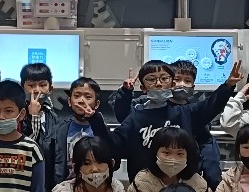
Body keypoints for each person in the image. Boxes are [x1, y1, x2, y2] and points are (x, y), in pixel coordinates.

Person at [99, 59, 237, 179]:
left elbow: (211, 105)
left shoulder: (186, 112)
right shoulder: (137, 114)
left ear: (171, 84)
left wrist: (228, 86)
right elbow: (115, 139)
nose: (158, 84)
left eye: (164, 78)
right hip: (145, 184)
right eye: (151, 79)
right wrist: (97, 118)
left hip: (182, 183)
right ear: (143, 87)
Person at [167, 60, 223, 188]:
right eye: (177, 79)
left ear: (193, 87)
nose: (182, 84)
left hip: (189, 173)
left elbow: (206, 143)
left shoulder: (196, 110)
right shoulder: (158, 108)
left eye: (187, 81)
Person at [50, 76, 103, 185]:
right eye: (77, 96)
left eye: (87, 97)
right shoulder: (59, 130)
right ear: (70, 101)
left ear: (97, 104)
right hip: (65, 187)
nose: (81, 101)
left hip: (95, 187)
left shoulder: (102, 131)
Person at [20, 62, 60, 191]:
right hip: (23, 179)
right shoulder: (17, 115)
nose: (37, 90)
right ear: (22, 87)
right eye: (31, 85)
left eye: (42, 85)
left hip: (47, 181)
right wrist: (33, 116)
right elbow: (26, 145)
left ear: (50, 89)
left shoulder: (54, 117)